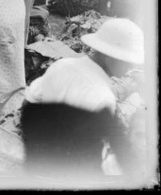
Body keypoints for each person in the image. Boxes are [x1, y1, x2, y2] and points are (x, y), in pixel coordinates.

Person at [21, 18, 144, 179]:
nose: (130, 68)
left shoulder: (62, 65)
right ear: (110, 56)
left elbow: (30, 99)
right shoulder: (102, 97)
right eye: (127, 62)